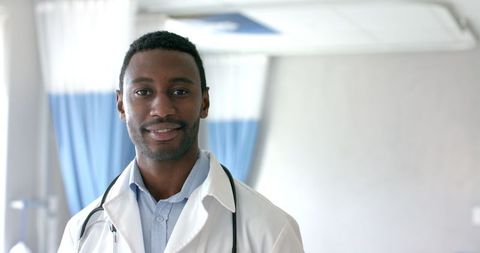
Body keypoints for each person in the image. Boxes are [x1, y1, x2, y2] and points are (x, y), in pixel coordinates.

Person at [58, 31, 304, 253]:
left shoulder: (270, 230)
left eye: (180, 92)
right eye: (143, 92)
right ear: (121, 105)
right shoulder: (81, 232)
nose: (162, 110)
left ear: (204, 103)